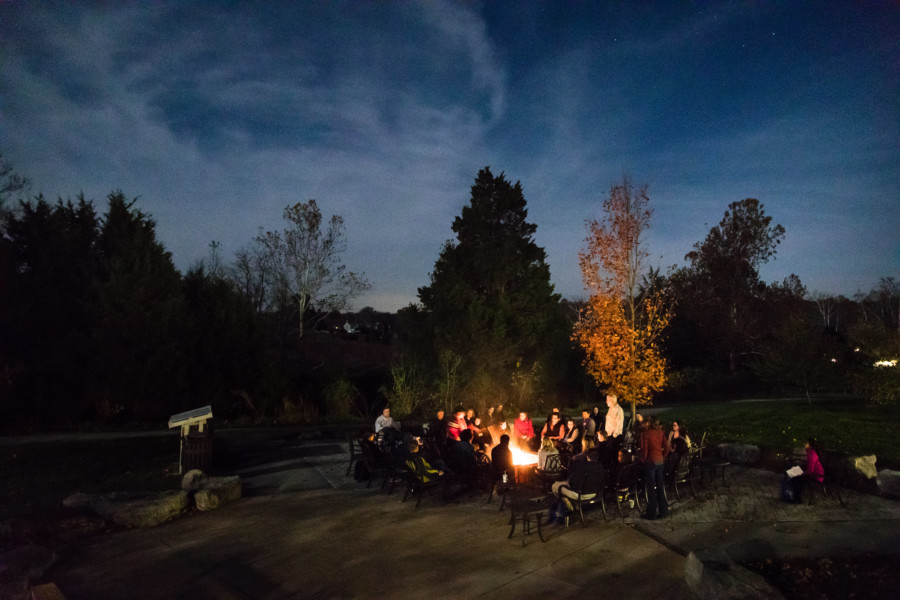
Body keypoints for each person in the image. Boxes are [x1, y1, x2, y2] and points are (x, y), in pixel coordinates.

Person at [639, 415, 670, 520]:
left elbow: (645, 449)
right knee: (660, 487)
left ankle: (651, 513)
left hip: (651, 462)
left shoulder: (645, 433)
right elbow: (667, 447)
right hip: (660, 461)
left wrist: (643, 459)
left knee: (651, 488)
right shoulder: (661, 432)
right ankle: (664, 511)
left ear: (649, 422)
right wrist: (663, 456)